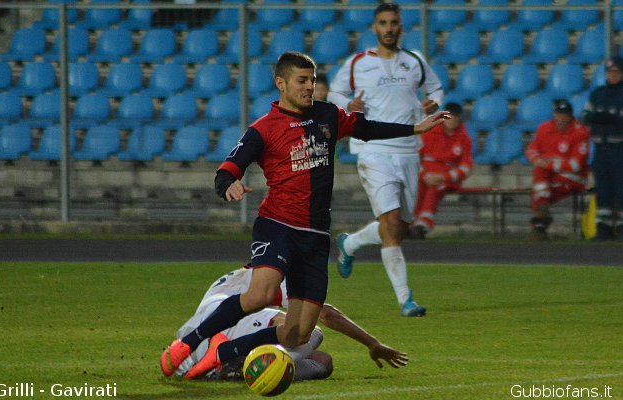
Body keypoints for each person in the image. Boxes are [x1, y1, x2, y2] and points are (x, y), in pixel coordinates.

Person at [159, 51, 448, 379]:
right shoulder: (263, 129)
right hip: (278, 224)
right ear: (280, 83)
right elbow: (226, 171)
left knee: (296, 333)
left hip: (316, 234)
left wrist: (414, 127)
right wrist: (230, 186)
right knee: (262, 294)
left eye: (312, 80)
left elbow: (366, 128)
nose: (310, 86)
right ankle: (188, 342)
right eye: (302, 80)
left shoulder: (327, 115)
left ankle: (222, 351)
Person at [327, 3, 444, 316]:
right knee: (392, 223)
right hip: (373, 149)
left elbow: (436, 87)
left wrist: (434, 102)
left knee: (398, 228)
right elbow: (334, 93)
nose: (389, 28)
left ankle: (350, 244)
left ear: (401, 27)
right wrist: (347, 103)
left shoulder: (415, 61)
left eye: (394, 23)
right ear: (374, 28)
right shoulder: (357, 63)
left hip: (408, 150)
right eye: (383, 23)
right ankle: (406, 300)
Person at [171, 266, 409, 381]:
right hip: (212, 340)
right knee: (309, 332)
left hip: (190, 347)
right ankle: (234, 366)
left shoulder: (241, 276)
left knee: (323, 363)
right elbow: (325, 315)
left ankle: (241, 368)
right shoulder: (272, 273)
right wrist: (372, 344)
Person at [526, 100, 590, 241]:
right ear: (554, 115)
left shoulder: (580, 132)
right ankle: (541, 220)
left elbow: (575, 165)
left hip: (573, 178)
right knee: (540, 175)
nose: (561, 118)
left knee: (540, 188)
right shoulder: (544, 128)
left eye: (564, 115)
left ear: (571, 116)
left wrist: (548, 164)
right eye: (558, 114)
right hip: (551, 176)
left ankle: (540, 224)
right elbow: (531, 149)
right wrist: (537, 160)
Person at [411, 102, 473, 239]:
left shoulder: (464, 138)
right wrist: (424, 174)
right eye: (450, 118)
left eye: (456, 119)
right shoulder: (429, 133)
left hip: (447, 178)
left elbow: (466, 167)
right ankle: (411, 223)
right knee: (416, 186)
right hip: (426, 174)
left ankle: (423, 225)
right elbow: (415, 157)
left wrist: (445, 177)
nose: (453, 122)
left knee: (435, 187)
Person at [581, 57, 623, 241]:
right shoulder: (598, 93)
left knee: (621, 189)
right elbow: (584, 115)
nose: (612, 76)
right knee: (603, 189)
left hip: (619, 148)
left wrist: (601, 117)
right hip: (600, 148)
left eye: (616, 72)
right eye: (609, 72)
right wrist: (607, 117)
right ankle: (603, 228)